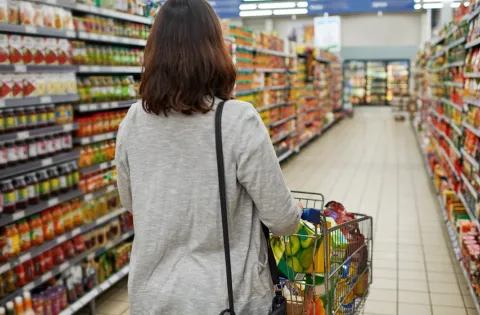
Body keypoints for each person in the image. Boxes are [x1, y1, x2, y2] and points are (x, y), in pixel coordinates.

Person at [115, 0, 302, 313]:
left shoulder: (133, 120)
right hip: (225, 300)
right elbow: (283, 222)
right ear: (216, 50)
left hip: (153, 299)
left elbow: (131, 201)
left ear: (154, 52)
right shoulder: (238, 119)